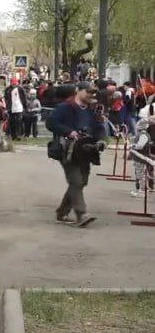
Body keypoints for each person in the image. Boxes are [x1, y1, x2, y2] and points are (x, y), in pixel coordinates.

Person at [47, 81, 106, 227]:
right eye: (88, 92)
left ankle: (62, 212)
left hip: (86, 150)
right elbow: (51, 123)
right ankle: (81, 214)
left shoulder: (92, 109)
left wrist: (101, 140)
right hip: (67, 150)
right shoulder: (65, 107)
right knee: (76, 181)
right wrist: (69, 131)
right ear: (78, 90)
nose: (91, 95)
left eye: (93, 93)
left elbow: (99, 127)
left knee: (81, 182)